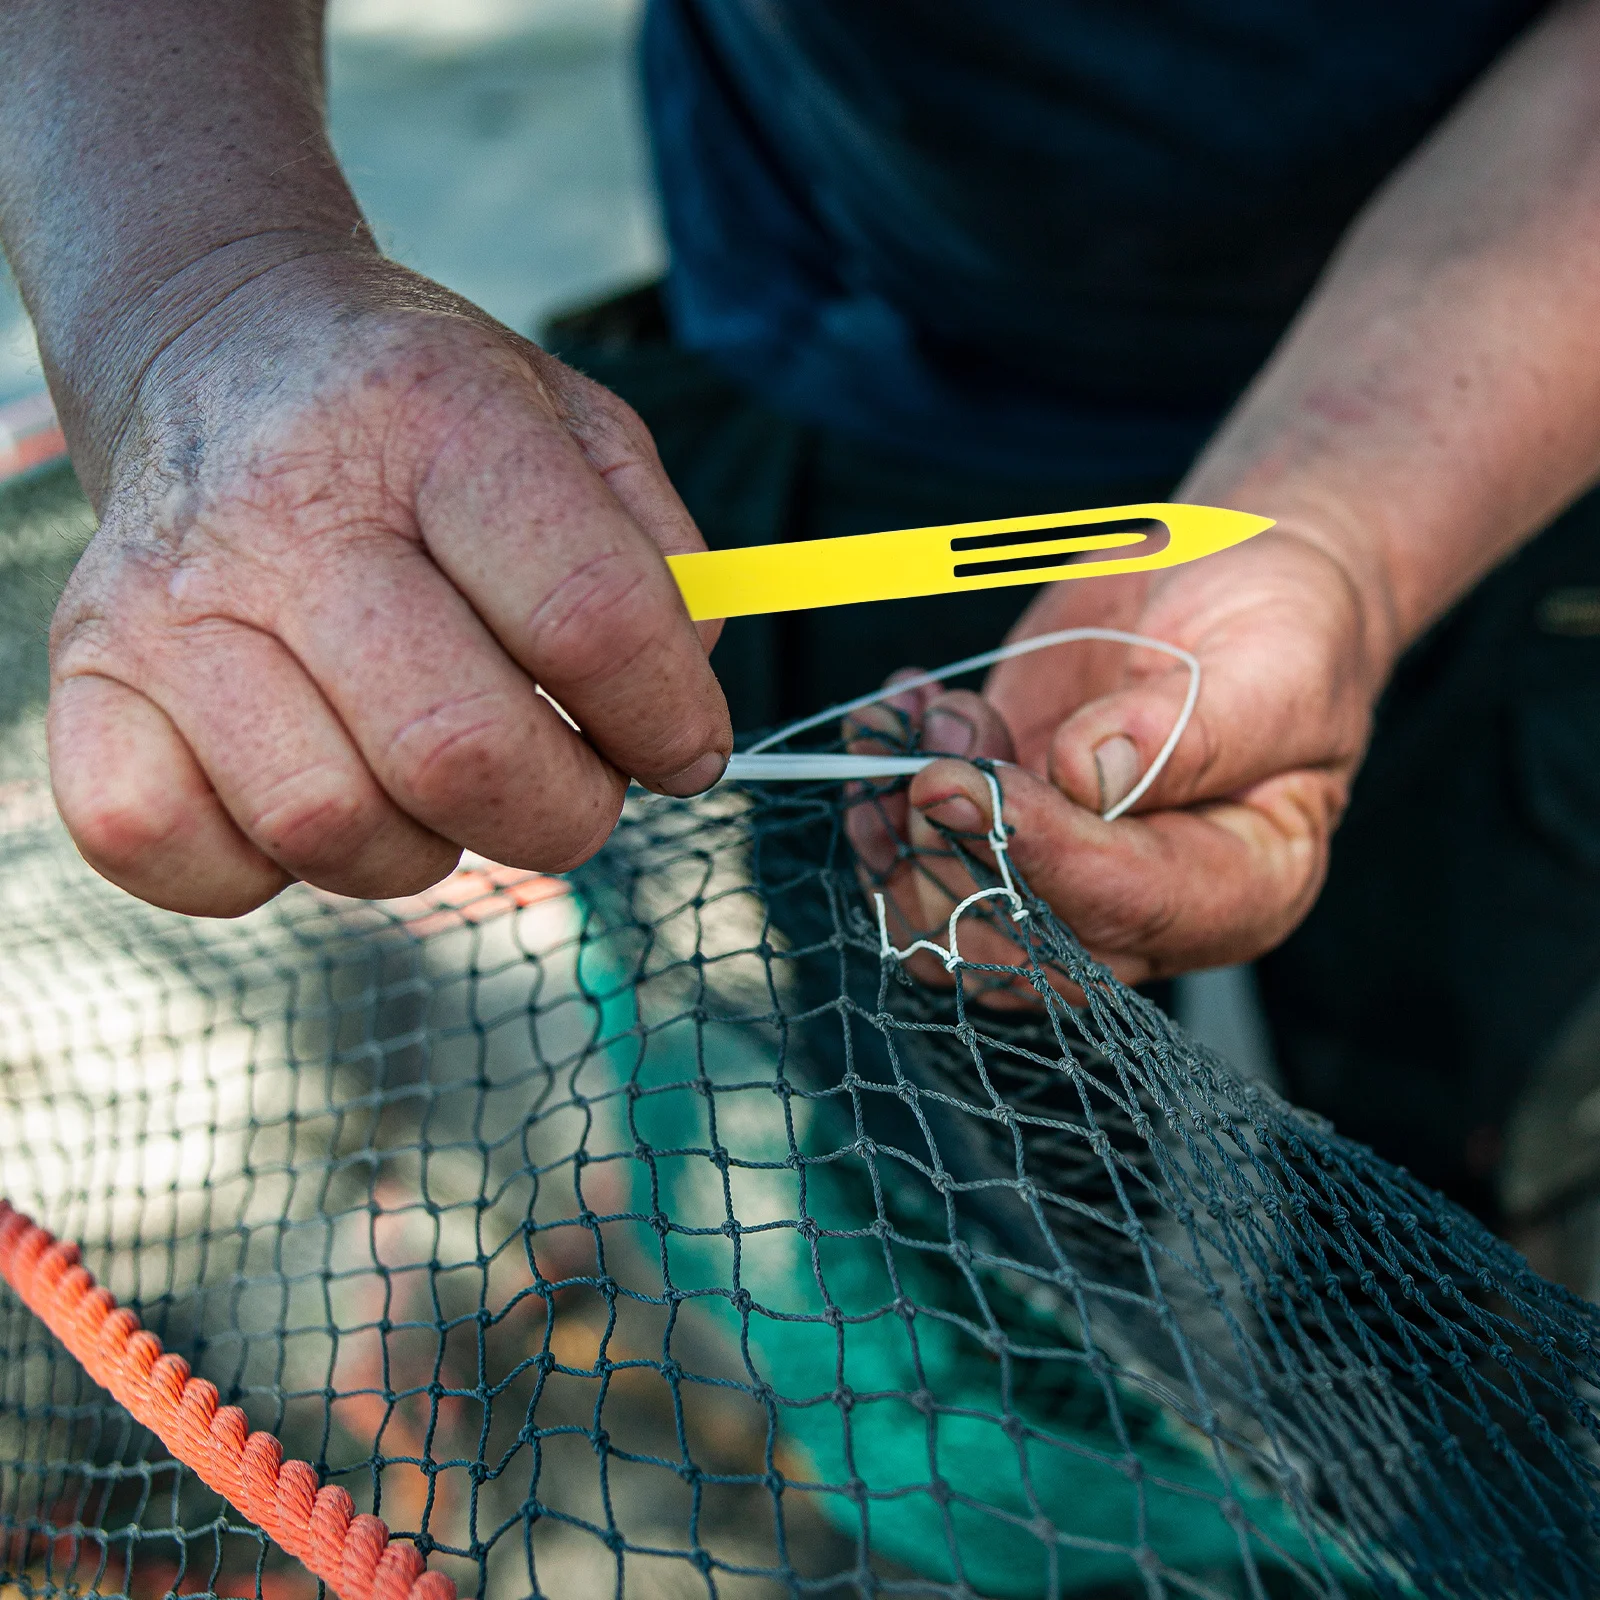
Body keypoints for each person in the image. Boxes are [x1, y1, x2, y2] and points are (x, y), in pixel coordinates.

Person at [2, 0, 1599, 1229]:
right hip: (835, 312)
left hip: (1529, 410)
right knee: (952, 1125)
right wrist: (203, 300)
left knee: (1471, 1127)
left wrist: (1344, 532)